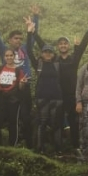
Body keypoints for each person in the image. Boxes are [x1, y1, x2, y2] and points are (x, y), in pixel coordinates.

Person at [33, 14, 88, 154]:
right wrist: (33, 33)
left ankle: (76, 146)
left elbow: (83, 46)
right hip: (57, 96)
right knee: (56, 122)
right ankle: (58, 148)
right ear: (57, 47)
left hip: (72, 95)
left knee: (74, 121)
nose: (63, 45)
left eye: (65, 43)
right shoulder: (54, 60)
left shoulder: (74, 58)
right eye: (60, 44)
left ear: (68, 46)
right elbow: (43, 46)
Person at [0, 4, 37, 149]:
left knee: (25, 117)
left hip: (24, 87)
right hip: (6, 88)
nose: (18, 41)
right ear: (9, 40)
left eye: (20, 38)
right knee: (6, 118)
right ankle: (5, 145)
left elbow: (32, 35)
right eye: (15, 38)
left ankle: (28, 146)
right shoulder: (4, 50)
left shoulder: (25, 49)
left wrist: (35, 18)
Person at [26, 17, 64, 155]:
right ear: (42, 54)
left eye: (50, 52)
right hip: (42, 99)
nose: (47, 54)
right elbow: (29, 50)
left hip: (56, 99)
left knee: (56, 124)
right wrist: (29, 33)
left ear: (53, 54)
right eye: (45, 52)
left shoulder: (58, 64)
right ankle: (40, 149)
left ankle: (58, 150)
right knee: (42, 123)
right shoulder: (38, 64)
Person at [0, 48, 28, 146]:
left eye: (11, 55)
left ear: (14, 57)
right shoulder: (0, 68)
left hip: (14, 100)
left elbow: (21, 88)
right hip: (2, 99)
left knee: (13, 124)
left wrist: (22, 83)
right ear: (4, 57)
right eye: (7, 56)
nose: (9, 57)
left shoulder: (18, 70)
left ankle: (12, 146)